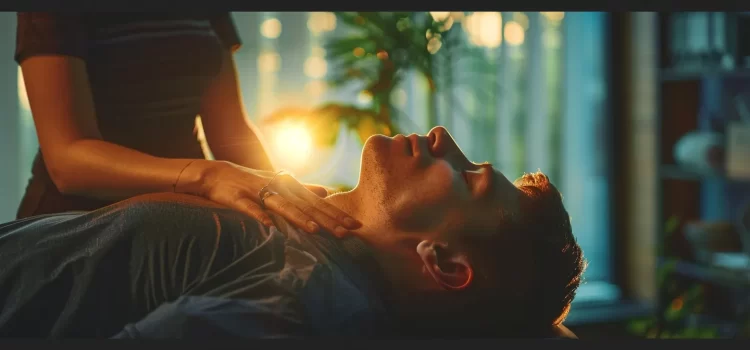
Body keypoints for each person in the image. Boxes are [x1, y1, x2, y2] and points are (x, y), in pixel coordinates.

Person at [0, 126, 586, 338]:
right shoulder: (313, 225)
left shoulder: (307, 301)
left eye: (465, 176)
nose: (441, 136)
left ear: (444, 263)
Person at [14, 12, 359, 236]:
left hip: (182, 222)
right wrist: (208, 176)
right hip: (78, 229)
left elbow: (231, 134)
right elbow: (68, 160)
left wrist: (292, 205)